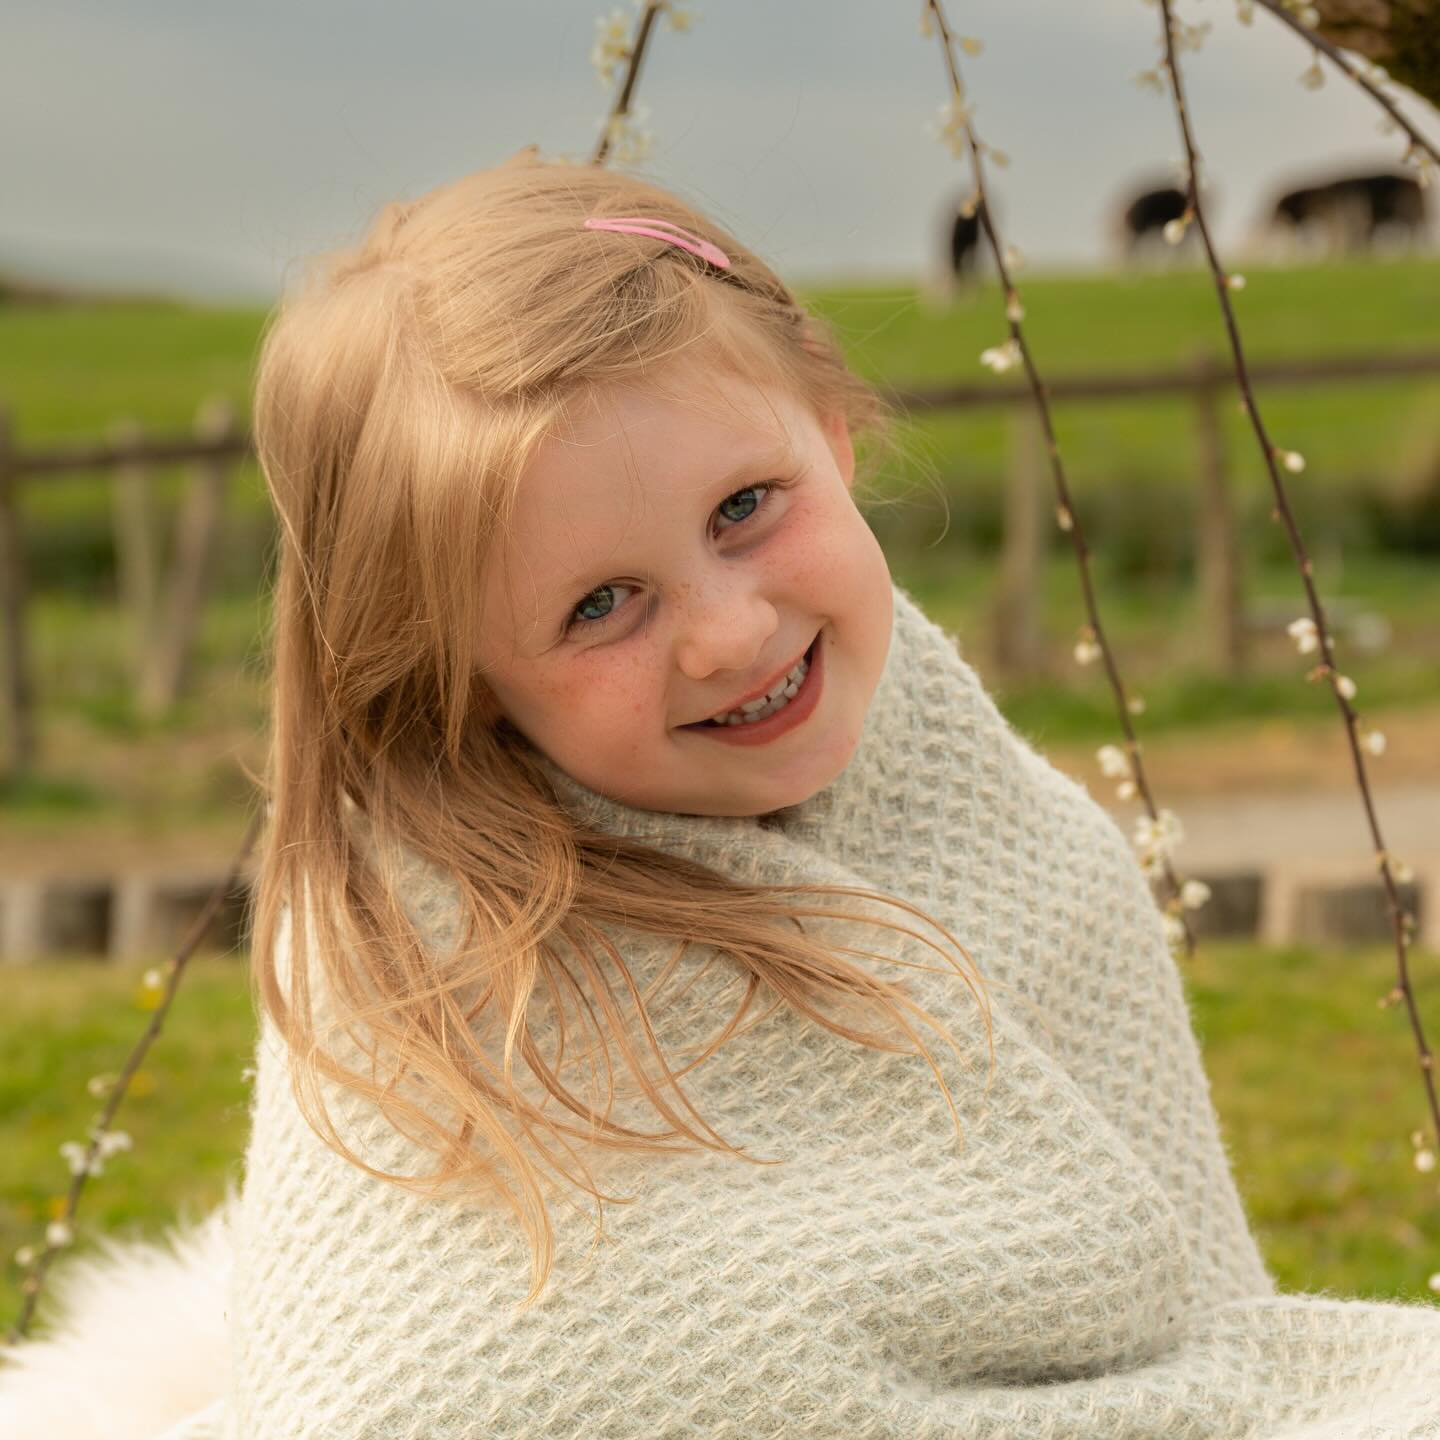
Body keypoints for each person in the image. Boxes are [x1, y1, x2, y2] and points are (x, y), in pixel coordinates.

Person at [4, 148, 1438, 1439]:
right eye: (603, 603)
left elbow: (1192, 1326)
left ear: (838, 430)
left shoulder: (1039, 858)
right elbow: (411, 1382)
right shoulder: (420, 938)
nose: (730, 633)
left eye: (747, 509)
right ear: (452, 681)